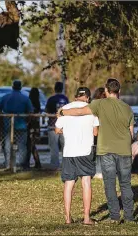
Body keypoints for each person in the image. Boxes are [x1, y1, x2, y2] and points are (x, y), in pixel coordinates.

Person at [57, 78, 135, 224]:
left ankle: (114, 217)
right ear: (120, 91)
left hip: (105, 150)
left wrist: (63, 111)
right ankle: (129, 217)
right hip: (124, 150)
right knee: (125, 183)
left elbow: (80, 111)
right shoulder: (127, 108)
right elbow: (131, 133)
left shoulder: (99, 104)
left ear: (106, 90)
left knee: (110, 183)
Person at [55, 87, 99, 225]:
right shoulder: (92, 109)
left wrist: (69, 132)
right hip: (85, 151)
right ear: (87, 97)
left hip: (69, 152)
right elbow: (96, 132)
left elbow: (57, 130)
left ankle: (68, 218)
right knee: (86, 182)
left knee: (69, 184)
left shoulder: (65, 109)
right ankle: (86, 218)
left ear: (75, 96)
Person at [0, 80, 33, 169]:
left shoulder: (5, 97)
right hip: (21, 125)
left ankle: (8, 164)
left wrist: (2, 119)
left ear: (12, 86)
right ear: (20, 87)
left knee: (8, 145)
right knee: (22, 146)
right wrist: (27, 122)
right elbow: (30, 112)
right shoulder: (25, 98)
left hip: (8, 125)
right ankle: (21, 165)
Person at [45, 82, 69, 168]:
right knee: (65, 145)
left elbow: (47, 110)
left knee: (54, 146)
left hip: (53, 125)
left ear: (54, 88)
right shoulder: (65, 99)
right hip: (64, 125)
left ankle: (55, 164)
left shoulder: (51, 99)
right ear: (62, 88)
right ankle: (66, 164)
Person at [92, 87, 106, 179]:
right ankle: (98, 171)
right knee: (98, 153)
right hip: (98, 130)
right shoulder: (97, 104)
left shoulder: (93, 104)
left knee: (98, 153)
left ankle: (98, 171)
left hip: (99, 131)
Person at [26, 88, 42, 169]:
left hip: (31, 126)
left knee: (30, 145)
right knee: (31, 146)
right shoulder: (38, 104)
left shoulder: (30, 103)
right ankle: (35, 162)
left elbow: (30, 115)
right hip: (36, 126)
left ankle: (35, 163)